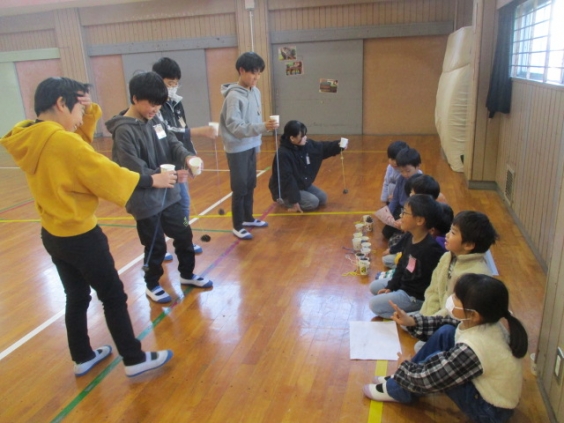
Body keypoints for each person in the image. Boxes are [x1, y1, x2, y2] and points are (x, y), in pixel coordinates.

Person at [0, 77, 173, 377]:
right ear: (61, 104)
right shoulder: (62, 142)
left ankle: (82, 356)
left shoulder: (33, 136)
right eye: (80, 108)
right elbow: (103, 172)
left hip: (53, 233)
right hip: (81, 235)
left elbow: (77, 145)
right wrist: (150, 179)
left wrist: (87, 110)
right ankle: (134, 359)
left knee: (77, 296)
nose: (83, 116)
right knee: (113, 295)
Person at [107, 72, 213, 305]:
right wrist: (162, 176)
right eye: (151, 104)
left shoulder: (155, 120)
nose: (155, 109)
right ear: (135, 98)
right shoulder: (124, 131)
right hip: (146, 202)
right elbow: (131, 168)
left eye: (159, 104)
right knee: (154, 246)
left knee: (184, 234)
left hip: (170, 195)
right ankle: (152, 284)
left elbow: (172, 143)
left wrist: (187, 157)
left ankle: (187, 274)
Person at [363, 274, 528, 423]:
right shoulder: (486, 322)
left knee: (438, 362)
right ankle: (401, 384)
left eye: (457, 298)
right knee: (447, 332)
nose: (451, 299)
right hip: (484, 392)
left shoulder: (476, 346)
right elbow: (447, 324)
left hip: (489, 411)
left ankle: (398, 388)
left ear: (474, 315)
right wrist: (412, 321)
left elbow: (433, 377)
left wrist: (405, 368)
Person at [152, 56, 217, 255]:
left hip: (179, 161)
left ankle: (184, 241)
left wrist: (191, 157)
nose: (173, 88)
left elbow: (181, 130)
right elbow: (166, 132)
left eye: (176, 83)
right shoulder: (155, 105)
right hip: (161, 165)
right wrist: (198, 131)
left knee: (183, 203)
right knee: (160, 207)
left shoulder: (177, 103)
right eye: (169, 83)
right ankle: (159, 247)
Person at [219, 51, 279, 240]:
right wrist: (263, 127)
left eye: (259, 73)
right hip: (237, 148)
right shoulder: (233, 97)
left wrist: (258, 139)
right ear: (242, 70)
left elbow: (255, 119)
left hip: (252, 144)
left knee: (250, 183)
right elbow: (235, 127)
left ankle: (247, 217)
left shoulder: (256, 92)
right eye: (253, 72)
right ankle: (237, 225)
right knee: (239, 186)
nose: (256, 77)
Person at [369, 195, 445, 318]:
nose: (401, 215)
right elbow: (401, 265)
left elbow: (425, 284)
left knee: (374, 304)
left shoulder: (430, 249)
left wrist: (398, 290)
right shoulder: (410, 236)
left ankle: (416, 314)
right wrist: (392, 286)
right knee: (374, 287)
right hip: (405, 285)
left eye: (405, 212)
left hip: (414, 295)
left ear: (419, 221)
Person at [419, 211, 498, 316]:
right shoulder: (446, 257)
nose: (447, 235)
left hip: (453, 321)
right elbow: (433, 290)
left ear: (468, 245)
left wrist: (427, 321)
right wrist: (425, 316)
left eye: (453, 233)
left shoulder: (476, 275)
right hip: (434, 316)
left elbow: (456, 312)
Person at [268, 120, 344, 212]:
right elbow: (287, 179)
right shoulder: (283, 154)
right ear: (292, 138)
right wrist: (294, 201)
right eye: (302, 136)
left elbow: (322, 147)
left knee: (322, 198)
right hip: (284, 189)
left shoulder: (306, 145)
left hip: (300, 184)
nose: (305, 138)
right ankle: (285, 200)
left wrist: (338, 145)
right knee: (312, 202)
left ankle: (299, 196)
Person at [381, 175, 451, 268]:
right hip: (412, 254)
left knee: (396, 256)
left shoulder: (429, 246)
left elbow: (414, 271)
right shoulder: (413, 235)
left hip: (419, 260)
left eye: (412, 193)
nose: (410, 195)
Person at [374, 147, 422, 240]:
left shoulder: (420, 182)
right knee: (386, 233)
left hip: (413, 212)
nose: (405, 174)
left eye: (408, 171)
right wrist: (389, 213)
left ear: (418, 166)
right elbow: (395, 198)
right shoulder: (401, 179)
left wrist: (404, 218)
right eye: (401, 171)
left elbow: (419, 208)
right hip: (401, 209)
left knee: (405, 231)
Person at [380, 140, 408, 204]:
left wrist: (396, 196)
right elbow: (386, 183)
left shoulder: (408, 171)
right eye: (392, 159)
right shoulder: (390, 168)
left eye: (397, 160)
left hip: (403, 202)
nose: (395, 162)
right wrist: (384, 199)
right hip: (390, 200)